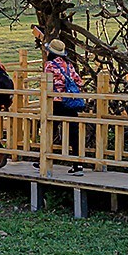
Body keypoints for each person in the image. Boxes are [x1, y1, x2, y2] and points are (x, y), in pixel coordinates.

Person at [43, 38, 85, 175]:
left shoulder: (49, 65)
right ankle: (77, 164)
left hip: (56, 102)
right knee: (73, 133)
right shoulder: (69, 65)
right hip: (70, 102)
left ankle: (45, 160)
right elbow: (79, 81)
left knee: (49, 130)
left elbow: (46, 82)